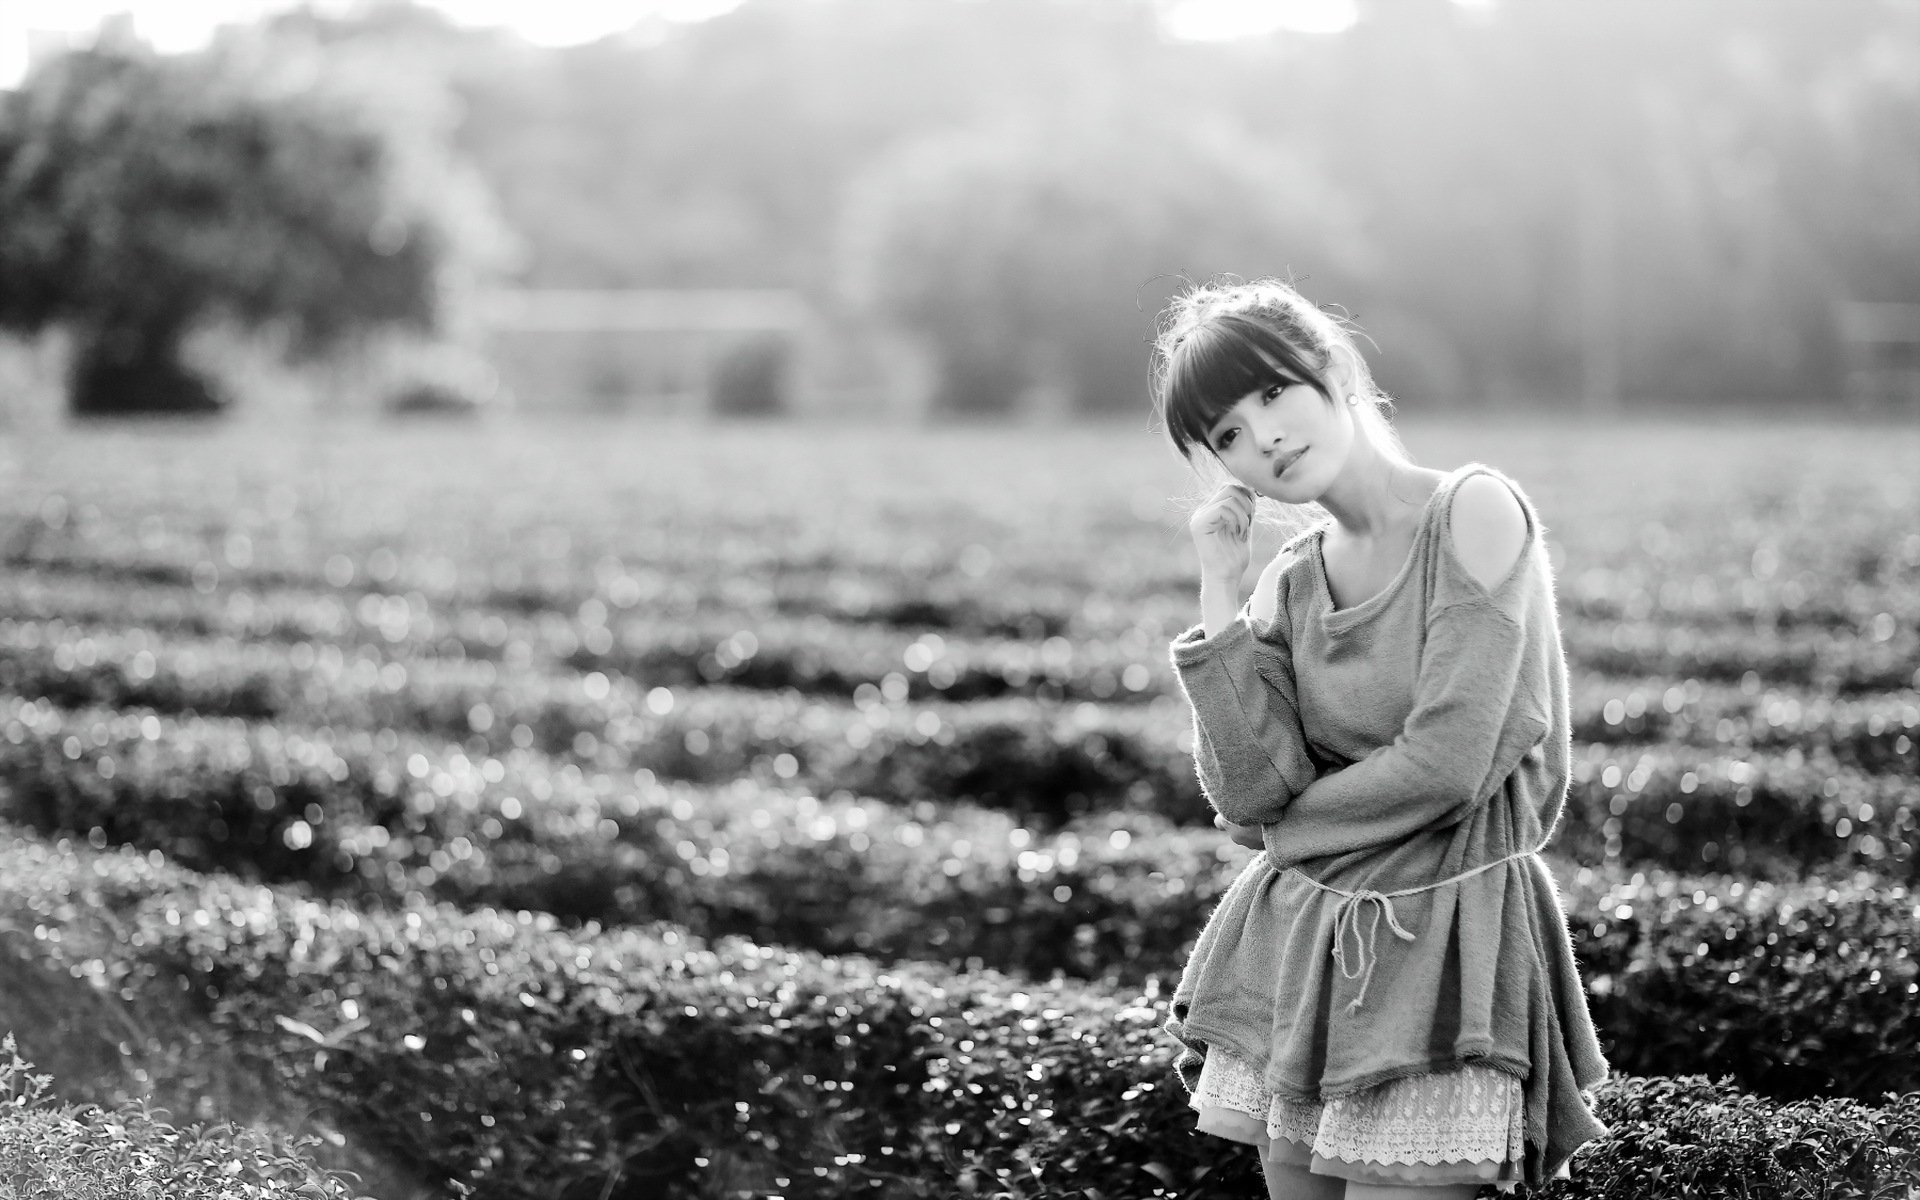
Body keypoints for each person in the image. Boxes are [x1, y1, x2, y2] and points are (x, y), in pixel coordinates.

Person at [1150, 278, 1610, 1199]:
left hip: (1446, 938)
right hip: (1311, 956)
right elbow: (1247, 793)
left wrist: (1287, 839)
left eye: (1274, 393)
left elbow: (1446, 767)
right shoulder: (1287, 584)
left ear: (1333, 369)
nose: (1265, 436)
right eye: (1228, 433)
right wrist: (1220, 598)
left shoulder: (1473, 512)